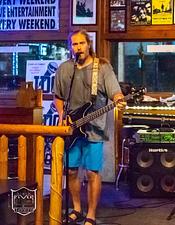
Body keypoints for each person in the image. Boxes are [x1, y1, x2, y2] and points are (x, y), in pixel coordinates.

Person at [53, 29, 126, 225]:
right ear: (70, 47)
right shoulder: (65, 69)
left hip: (95, 128)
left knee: (93, 172)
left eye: (81, 43)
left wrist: (119, 99)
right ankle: (76, 207)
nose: (78, 47)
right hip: (71, 127)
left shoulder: (101, 67)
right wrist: (62, 115)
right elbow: (58, 97)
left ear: (88, 44)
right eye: (74, 44)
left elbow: (115, 92)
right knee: (71, 170)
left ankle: (91, 214)